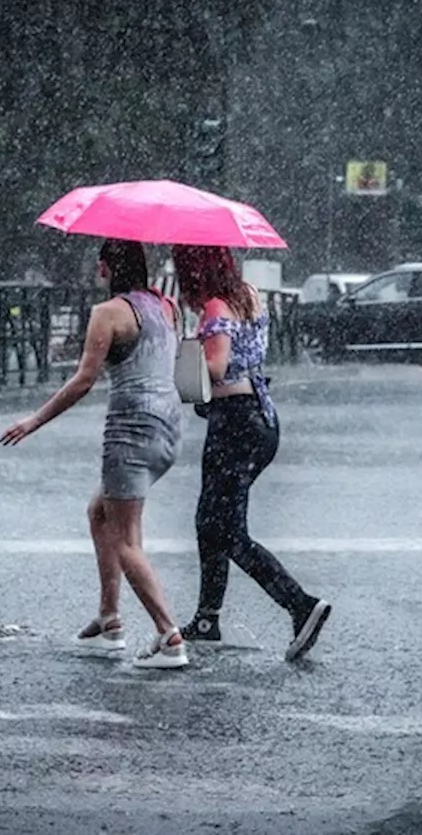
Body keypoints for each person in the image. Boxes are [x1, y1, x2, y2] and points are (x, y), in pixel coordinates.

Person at [0, 238, 188, 669]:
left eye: (99, 265)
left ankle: (169, 635)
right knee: (100, 512)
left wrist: (33, 421)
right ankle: (109, 621)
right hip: (168, 428)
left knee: (126, 539)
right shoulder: (167, 308)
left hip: (131, 431)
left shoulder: (108, 314)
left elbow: (84, 380)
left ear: (105, 268)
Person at [171, 244, 331, 662]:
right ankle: (207, 618)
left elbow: (218, 366)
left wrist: (185, 357)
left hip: (235, 424)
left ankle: (299, 604)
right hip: (260, 420)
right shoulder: (248, 294)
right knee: (211, 520)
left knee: (227, 530)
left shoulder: (216, 306)